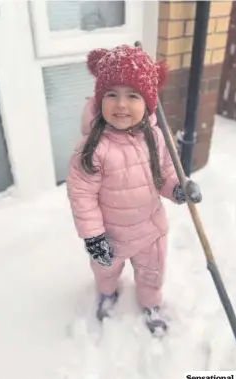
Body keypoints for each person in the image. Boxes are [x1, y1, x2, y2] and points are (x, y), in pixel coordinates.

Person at [67, 45, 202, 335]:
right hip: (110, 235)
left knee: (152, 272)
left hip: (150, 230)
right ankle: (107, 293)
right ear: (100, 100)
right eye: (111, 94)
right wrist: (93, 238)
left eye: (133, 95)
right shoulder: (92, 148)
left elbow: (164, 174)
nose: (121, 105)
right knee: (105, 272)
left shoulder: (155, 137)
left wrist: (179, 189)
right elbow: (82, 196)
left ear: (149, 101)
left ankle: (151, 303)